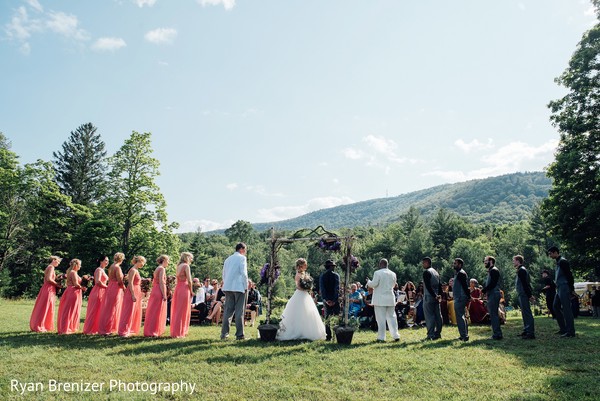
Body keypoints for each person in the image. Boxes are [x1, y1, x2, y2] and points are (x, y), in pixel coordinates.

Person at [277, 258, 326, 341]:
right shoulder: (298, 275)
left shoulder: (304, 274)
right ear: (300, 266)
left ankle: (307, 331)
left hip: (306, 295)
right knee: (299, 312)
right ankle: (297, 331)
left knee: (308, 312)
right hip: (300, 295)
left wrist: (308, 288)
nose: (306, 266)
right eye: (305, 265)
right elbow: (298, 286)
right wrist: (306, 288)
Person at [366, 258, 400, 342]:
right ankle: (396, 335)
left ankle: (381, 337)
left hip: (380, 299)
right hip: (390, 298)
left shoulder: (377, 273)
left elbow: (374, 284)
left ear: (380, 264)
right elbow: (393, 285)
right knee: (392, 318)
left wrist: (368, 281)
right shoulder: (393, 274)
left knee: (380, 319)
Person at [220, 243, 249, 340]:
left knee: (227, 311)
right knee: (239, 311)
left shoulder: (228, 259)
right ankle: (239, 334)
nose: (245, 252)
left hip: (228, 286)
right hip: (239, 287)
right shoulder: (242, 258)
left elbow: (224, 274)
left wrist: (225, 284)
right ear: (241, 249)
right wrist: (246, 286)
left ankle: (224, 334)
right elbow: (244, 273)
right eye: (245, 250)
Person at [548, 246, 576, 337]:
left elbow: (569, 276)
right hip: (559, 288)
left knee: (567, 309)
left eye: (550, 253)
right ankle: (563, 328)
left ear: (556, 252)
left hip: (564, 287)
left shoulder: (563, 261)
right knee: (555, 306)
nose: (550, 255)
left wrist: (571, 289)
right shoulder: (558, 262)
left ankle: (570, 331)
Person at [30, 256, 62, 332]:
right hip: (49, 288)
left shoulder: (49, 267)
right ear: (53, 260)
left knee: (45, 306)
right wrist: (57, 284)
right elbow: (48, 279)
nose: (59, 263)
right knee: (45, 307)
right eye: (58, 261)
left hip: (47, 288)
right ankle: (40, 325)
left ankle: (44, 324)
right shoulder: (51, 267)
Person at [98, 252, 126, 335]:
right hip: (115, 288)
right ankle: (107, 329)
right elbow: (119, 281)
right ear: (121, 259)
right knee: (113, 308)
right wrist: (125, 289)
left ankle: (107, 327)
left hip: (110, 286)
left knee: (108, 308)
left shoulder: (111, 266)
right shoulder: (117, 267)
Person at [118, 255, 145, 337]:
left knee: (134, 311)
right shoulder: (133, 270)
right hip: (131, 292)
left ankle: (130, 329)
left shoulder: (136, 270)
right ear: (139, 261)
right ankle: (123, 331)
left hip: (137, 291)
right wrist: (133, 295)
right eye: (143, 262)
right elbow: (130, 283)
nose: (143, 264)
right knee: (128, 311)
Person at [82, 255, 109, 335]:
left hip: (102, 291)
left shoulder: (103, 270)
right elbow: (98, 281)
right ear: (101, 261)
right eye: (105, 260)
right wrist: (107, 287)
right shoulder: (99, 270)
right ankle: (89, 330)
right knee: (94, 311)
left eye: (107, 261)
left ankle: (96, 329)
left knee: (100, 311)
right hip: (98, 291)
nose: (107, 262)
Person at [57, 259, 85, 334]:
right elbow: (76, 284)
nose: (80, 266)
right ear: (76, 265)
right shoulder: (73, 272)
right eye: (79, 265)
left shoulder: (70, 271)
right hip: (73, 291)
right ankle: (65, 328)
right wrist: (82, 288)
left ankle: (70, 327)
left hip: (71, 291)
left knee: (71, 310)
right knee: (69, 310)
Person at [144, 254, 169, 337]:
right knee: (157, 311)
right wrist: (164, 294)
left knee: (153, 311)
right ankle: (154, 330)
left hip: (155, 289)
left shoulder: (157, 268)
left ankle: (151, 330)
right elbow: (161, 281)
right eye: (167, 261)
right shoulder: (162, 269)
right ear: (164, 260)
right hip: (159, 290)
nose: (168, 262)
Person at [170, 252, 194, 338]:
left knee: (177, 310)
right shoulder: (186, 266)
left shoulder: (178, 266)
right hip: (184, 288)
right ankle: (179, 332)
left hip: (178, 288)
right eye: (191, 258)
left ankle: (176, 331)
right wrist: (191, 291)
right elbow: (190, 280)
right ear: (187, 258)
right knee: (183, 310)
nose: (192, 260)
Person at [513, 255, 535, 339]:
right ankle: (526, 330)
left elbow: (525, 284)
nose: (513, 262)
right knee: (524, 313)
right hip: (522, 294)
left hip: (524, 294)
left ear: (518, 261)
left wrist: (529, 295)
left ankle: (530, 333)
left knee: (527, 313)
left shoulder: (522, 270)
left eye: (514, 260)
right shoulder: (520, 270)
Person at [481, 256, 503, 340]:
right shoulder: (491, 270)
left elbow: (493, 284)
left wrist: (484, 290)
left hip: (494, 293)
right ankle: (497, 333)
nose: (484, 262)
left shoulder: (494, 270)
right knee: (493, 314)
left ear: (491, 261)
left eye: (486, 261)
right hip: (492, 293)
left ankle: (497, 334)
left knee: (493, 314)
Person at [421, 257, 442, 340]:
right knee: (438, 316)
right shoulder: (436, 272)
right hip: (436, 296)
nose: (423, 265)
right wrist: (439, 295)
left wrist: (434, 295)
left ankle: (431, 334)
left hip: (429, 296)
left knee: (429, 316)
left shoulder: (426, 272)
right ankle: (438, 333)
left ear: (427, 263)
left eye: (423, 263)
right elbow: (440, 285)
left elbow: (428, 286)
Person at [319, 259, 340, 341]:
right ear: (331, 267)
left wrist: (326, 300)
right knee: (337, 317)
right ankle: (338, 334)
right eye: (333, 266)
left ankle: (328, 336)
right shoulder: (336, 275)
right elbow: (336, 289)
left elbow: (322, 289)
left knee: (327, 318)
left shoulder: (322, 276)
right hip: (334, 299)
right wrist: (334, 300)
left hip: (326, 299)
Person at [452, 258, 470, 341]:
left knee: (460, 317)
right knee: (461, 316)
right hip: (459, 297)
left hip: (460, 297)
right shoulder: (458, 273)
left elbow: (465, 286)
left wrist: (468, 296)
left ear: (460, 264)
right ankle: (464, 334)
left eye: (455, 263)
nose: (454, 264)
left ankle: (464, 335)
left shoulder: (461, 274)